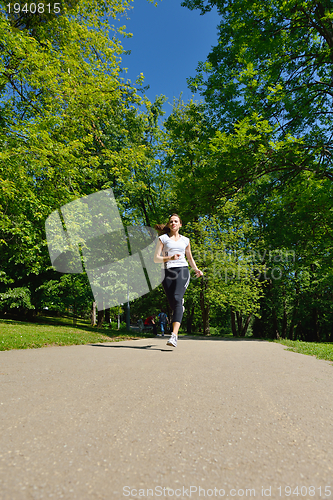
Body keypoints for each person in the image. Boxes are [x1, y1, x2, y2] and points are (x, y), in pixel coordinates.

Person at [154, 214, 203, 347]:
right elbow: (156, 258)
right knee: (174, 304)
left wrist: (196, 269)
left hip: (182, 270)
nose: (173, 223)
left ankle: (174, 335)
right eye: (171, 222)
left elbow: (190, 257)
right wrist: (170, 258)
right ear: (169, 225)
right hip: (166, 272)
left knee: (176, 297)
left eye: (176, 221)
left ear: (180, 224)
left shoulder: (186, 240)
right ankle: (180, 304)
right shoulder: (163, 239)